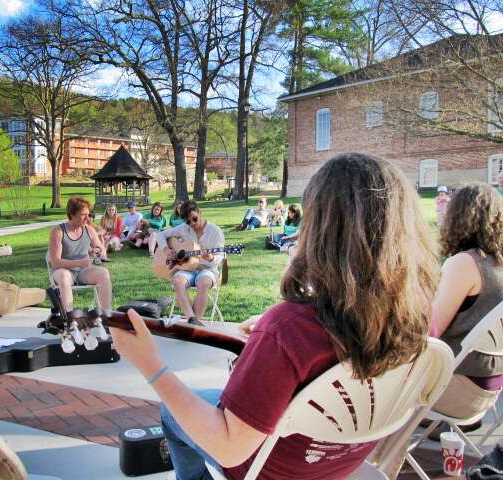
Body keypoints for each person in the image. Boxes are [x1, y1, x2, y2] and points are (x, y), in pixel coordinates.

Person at [109, 153, 438, 480]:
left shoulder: (290, 329)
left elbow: (228, 447)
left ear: (320, 229)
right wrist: (276, 340)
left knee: (171, 412)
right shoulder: (420, 310)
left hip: (273, 466)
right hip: (343, 459)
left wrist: (152, 367)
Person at [431, 183, 503, 423]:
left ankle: (381, 460)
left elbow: (431, 331)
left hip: (457, 390)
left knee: (376, 384)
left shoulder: (464, 263)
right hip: (490, 389)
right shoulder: (497, 263)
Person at [155, 200, 225, 326]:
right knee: (177, 281)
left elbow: (221, 256)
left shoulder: (215, 231)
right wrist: (166, 250)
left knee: (203, 283)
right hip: (187, 269)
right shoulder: (183, 229)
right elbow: (160, 235)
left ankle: (194, 323)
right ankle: (191, 319)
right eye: (188, 222)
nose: (192, 224)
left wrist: (211, 258)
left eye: (194, 219)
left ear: (200, 212)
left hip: (208, 269)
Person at [48, 196, 113, 318]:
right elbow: (55, 262)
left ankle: (107, 316)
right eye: (83, 215)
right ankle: (69, 317)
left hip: (83, 271)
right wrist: (79, 262)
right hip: (62, 271)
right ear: (72, 214)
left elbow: (102, 249)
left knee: (104, 273)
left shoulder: (89, 230)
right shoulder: (58, 231)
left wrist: (98, 251)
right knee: (64, 276)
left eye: (88, 214)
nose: (87, 218)